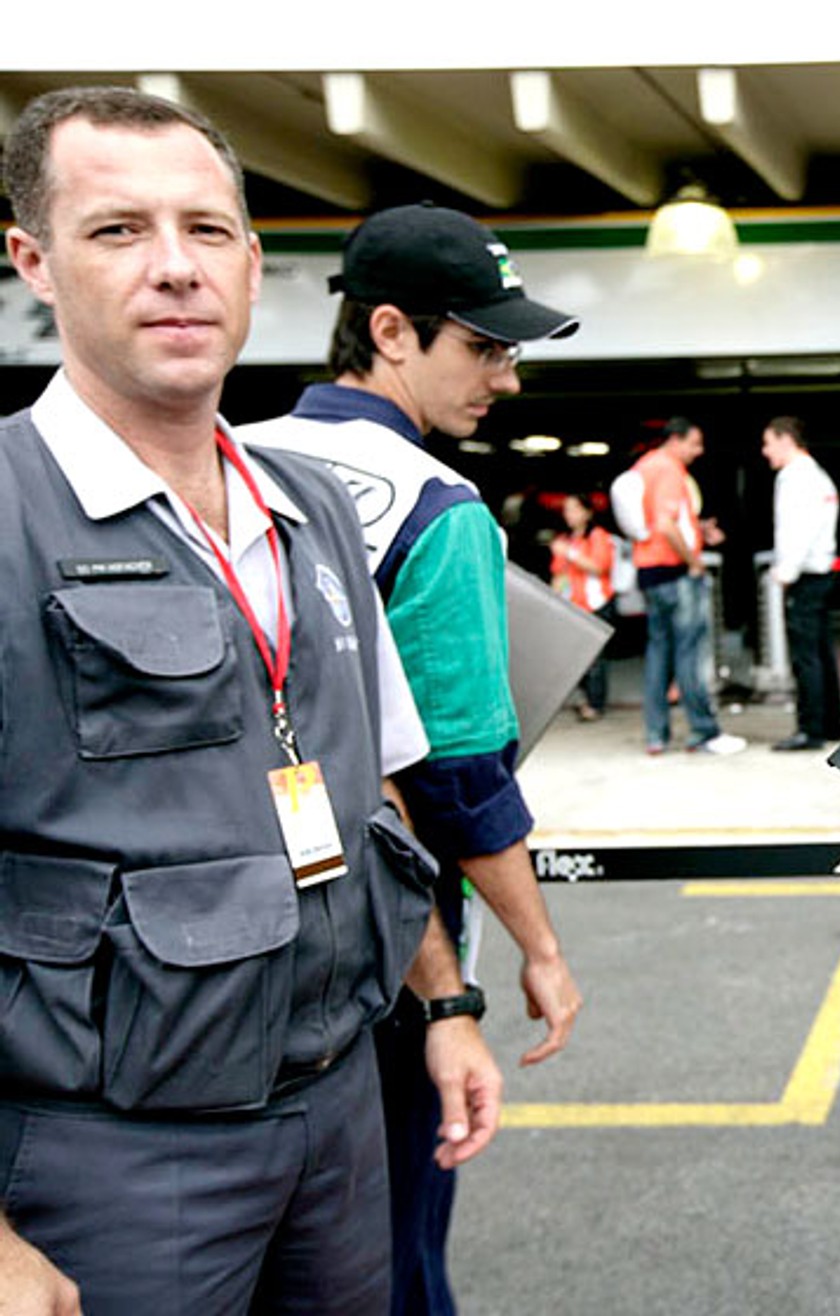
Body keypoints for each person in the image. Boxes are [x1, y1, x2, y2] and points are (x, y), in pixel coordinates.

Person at [0, 87, 501, 1316]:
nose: (175, 268)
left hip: (336, 1118)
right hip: (108, 1154)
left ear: (253, 260)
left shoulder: (308, 506)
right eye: (119, 231)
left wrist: (444, 1000)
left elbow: (369, 786)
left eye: (208, 231)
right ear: (34, 262)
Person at [239, 202, 585, 1316]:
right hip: (381, 956)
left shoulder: (229, 458)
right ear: (390, 331)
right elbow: (458, 775)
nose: (508, 378)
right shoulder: (439, 508)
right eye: (484, 347)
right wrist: (537, 947)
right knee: (390, 1259)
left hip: (217, 952)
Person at [628, 416, 746, 755]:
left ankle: (656, 735)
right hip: (675, 572)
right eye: (695, 443)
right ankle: (703, 733)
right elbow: (665, 525)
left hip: (649, 572)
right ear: (675, 440)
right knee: (690, 654)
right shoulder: (668, 469)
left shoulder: (645, 466)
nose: (699, 451)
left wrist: (697, 527)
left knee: (658, 654)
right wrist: (693, 560)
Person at [762, 415, 840, 750]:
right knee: (822, 652)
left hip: (805, 576)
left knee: (805, 656)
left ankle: (809, 730)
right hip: (822, 572)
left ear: (785, 439)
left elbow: (798, 528)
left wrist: (786, 571)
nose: (765, 451)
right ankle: (830, 723)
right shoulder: (818, 476)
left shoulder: (794, 477)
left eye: (768, 443)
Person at [550, 491, 617, 720]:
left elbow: (599, 567)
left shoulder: (598, 536)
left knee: (595, 660)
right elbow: (558, 574)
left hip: (596, 602)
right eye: (566, 510)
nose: (569, 515)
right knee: (575, 658)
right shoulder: (565, 540)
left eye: (574, 509)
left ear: (588, 512)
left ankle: (595, 704)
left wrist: (569, 554)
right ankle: (586, 698)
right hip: (573, 605)